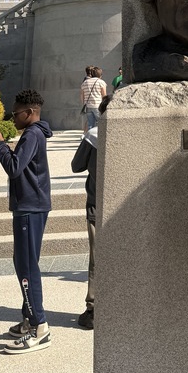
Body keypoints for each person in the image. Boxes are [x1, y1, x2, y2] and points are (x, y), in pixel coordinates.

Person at [0, 89, 53, 354]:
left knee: (26, 268)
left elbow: (14, 169)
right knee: (24, 262)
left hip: (29, 208)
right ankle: (29, 318)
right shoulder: (34, 134)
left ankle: (40, 327)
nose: (12, 117)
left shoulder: (32, 134)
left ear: (29, 113)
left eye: (15, 113)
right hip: (32, 205)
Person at [76, 93, 111, 330]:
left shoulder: (94, 136)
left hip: (98, 204)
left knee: (98, 259)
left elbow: (76, 165)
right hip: (127, 206)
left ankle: (94, 308)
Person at [80, 66, 107, 132]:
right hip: (98, 105)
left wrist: (84, 103)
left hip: (88, 106)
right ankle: (100, 139)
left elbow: (81, 95)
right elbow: (104, 95)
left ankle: (91, 139)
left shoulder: (85, 82)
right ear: (100, 74)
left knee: (90, 125)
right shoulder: (101, 82)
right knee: (101, 123)